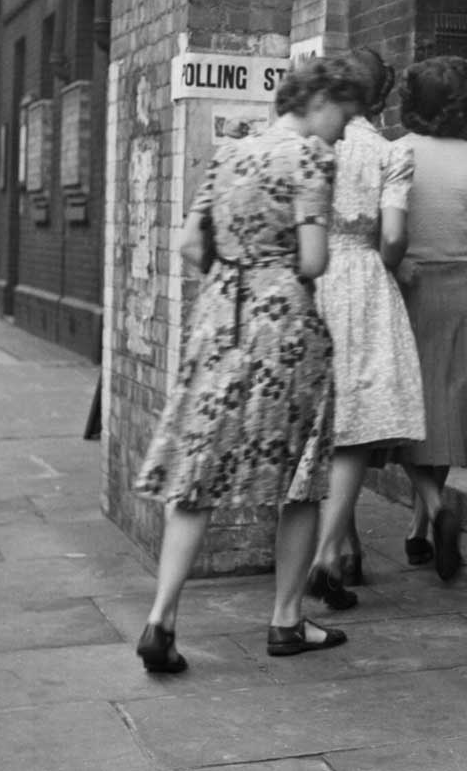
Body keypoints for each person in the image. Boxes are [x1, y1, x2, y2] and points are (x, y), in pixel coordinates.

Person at [132, 56, 368, 672]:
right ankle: (287, 620)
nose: (344, 128)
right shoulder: (311, 157)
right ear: (318, 102)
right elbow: (314, 260)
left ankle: (161, 618)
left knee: (199, 467)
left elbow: (188, 243)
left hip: (218, 317)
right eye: (344, 112)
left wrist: (231, 276)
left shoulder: (231, 152)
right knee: (303, 471)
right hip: (283, 323)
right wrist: (275, 268)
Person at [304, 48, 425, 611]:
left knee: (317, 419)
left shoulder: (308, 142)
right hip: (364, 279)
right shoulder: (390, 152)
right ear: (379, 96)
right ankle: (330, 552)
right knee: (356, 422)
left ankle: (331, 549)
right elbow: (395, 236)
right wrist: (385, 257)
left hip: (312, 277)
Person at [393, 56, 467, 583]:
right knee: (445, 409)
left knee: (407, 414)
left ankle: (435, 509)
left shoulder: (396, 153)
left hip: (410, 288)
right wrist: (466, 233)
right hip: (464, 289)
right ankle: (420, 530)